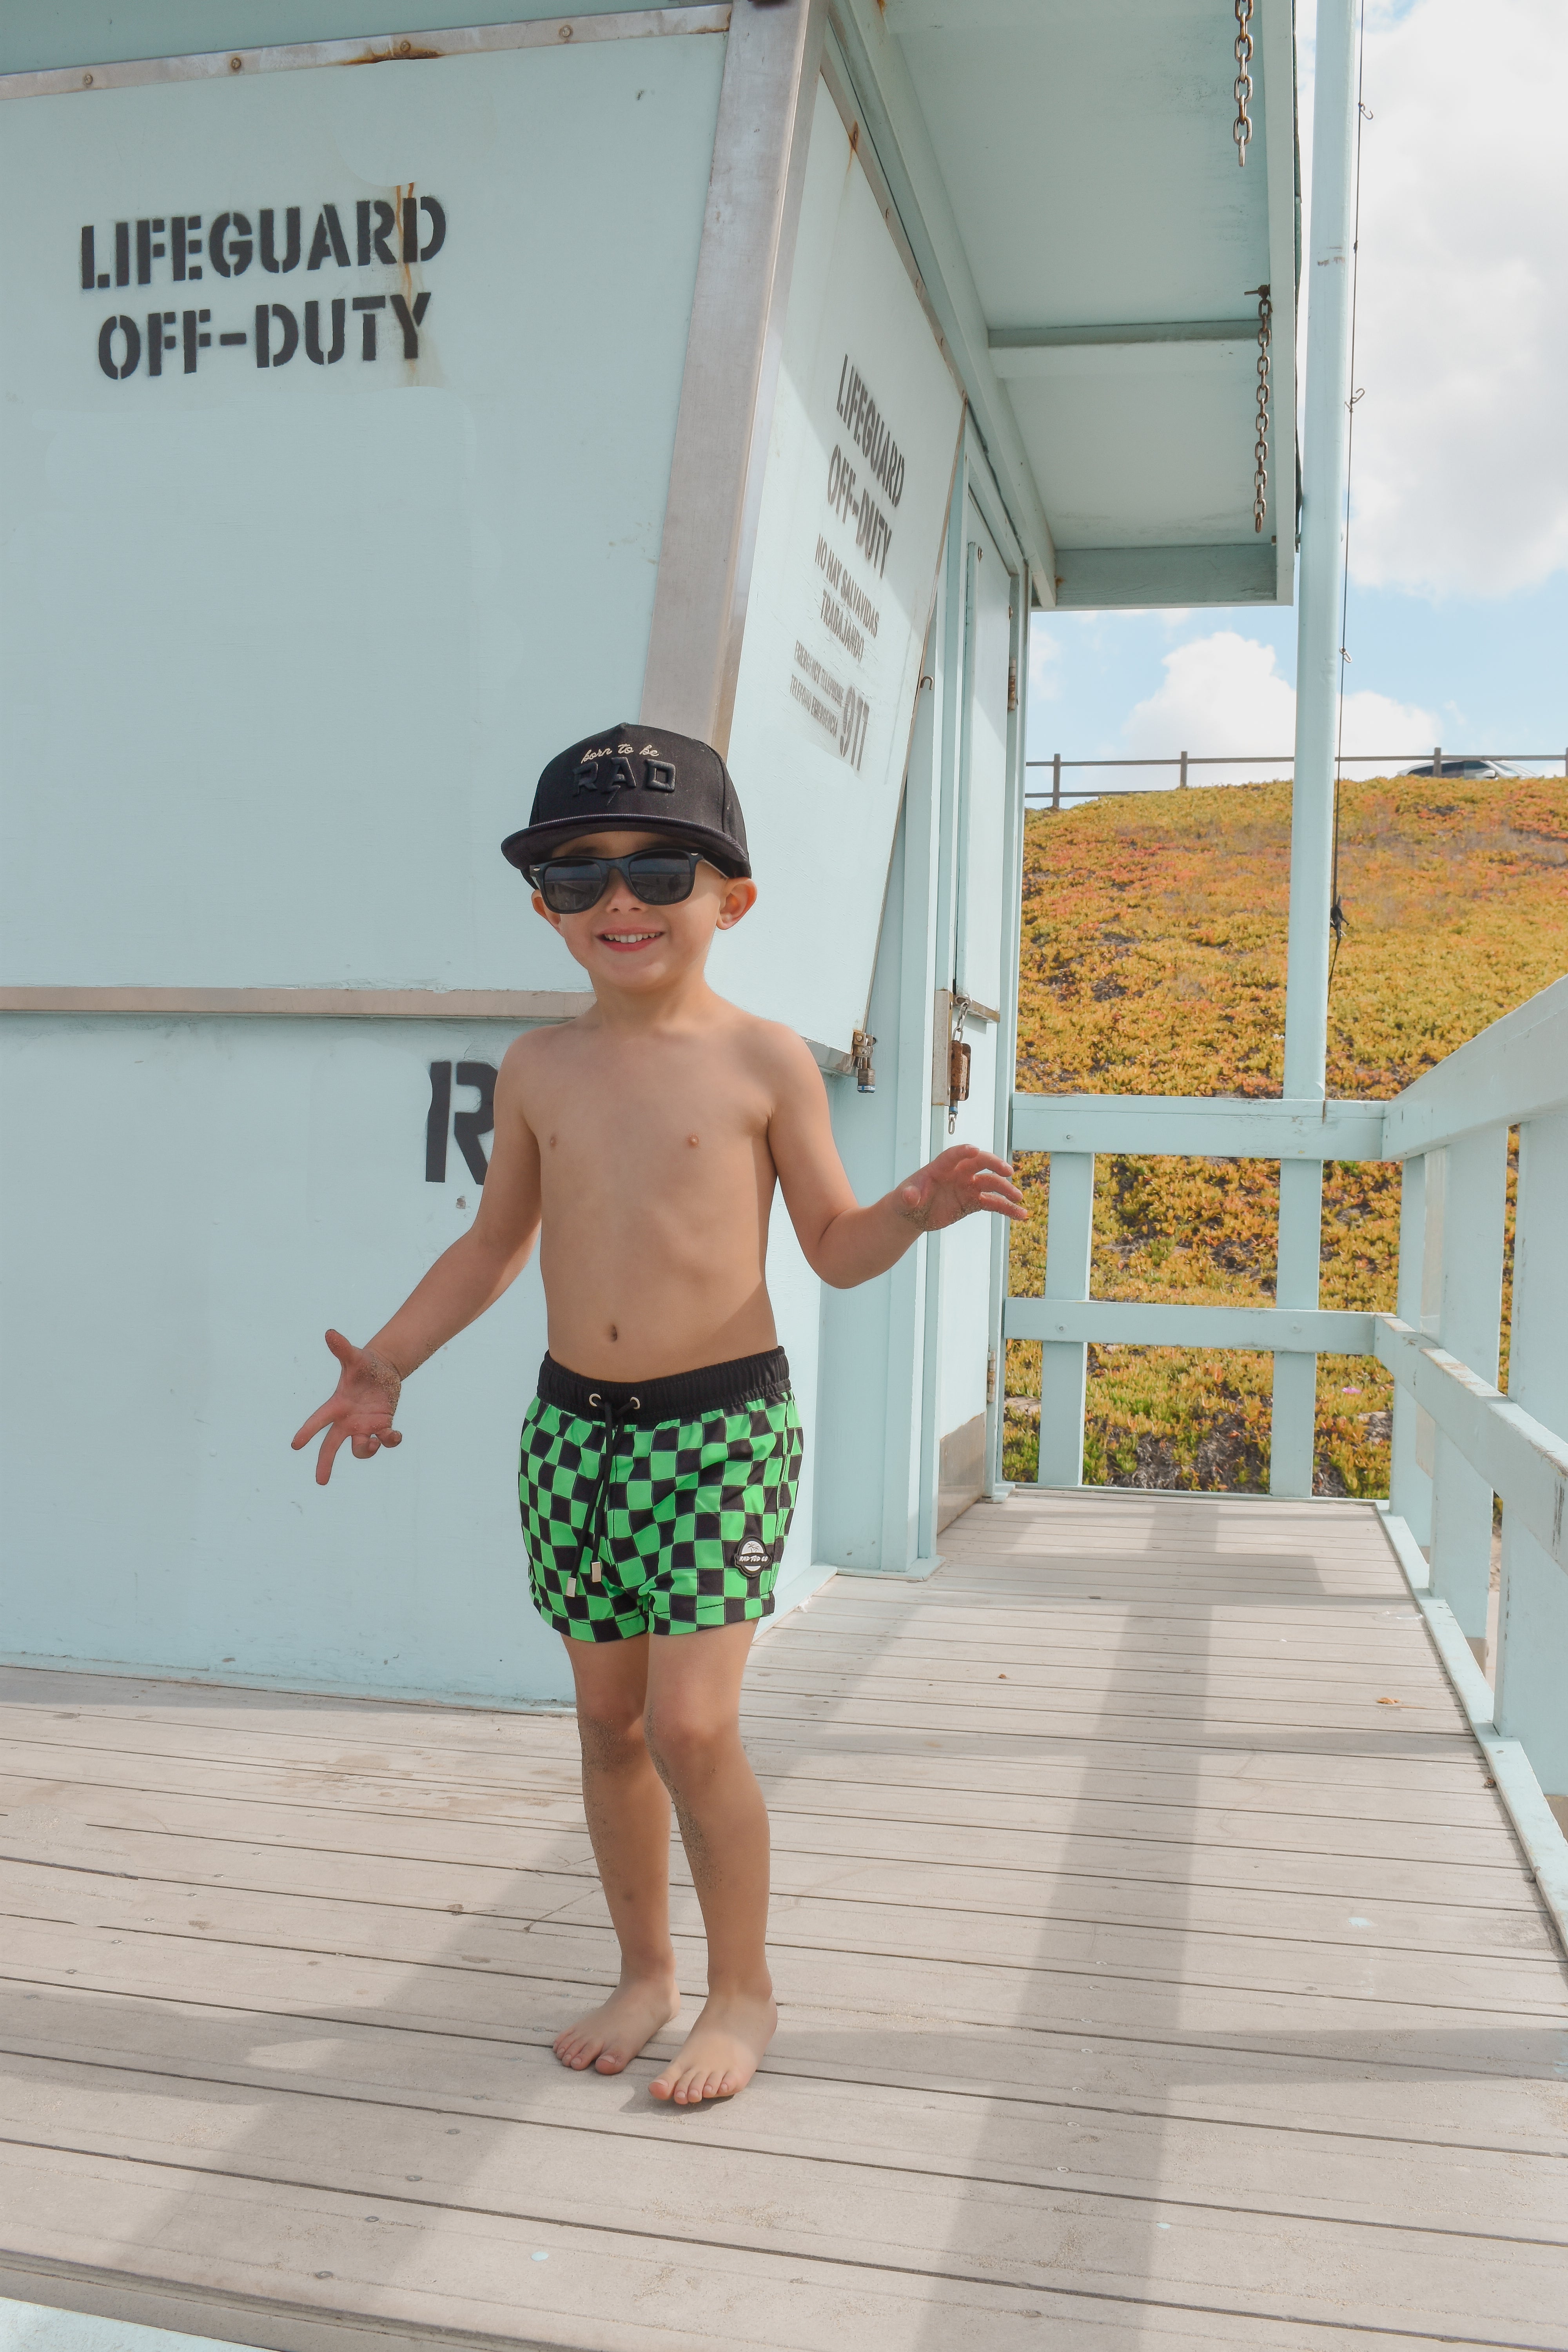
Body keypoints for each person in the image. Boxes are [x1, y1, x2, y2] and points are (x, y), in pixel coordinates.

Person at [292, 724, 1025, 2104]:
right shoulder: (537, 1070)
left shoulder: (765, 1064)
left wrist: (911, 1211)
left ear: (729, 899)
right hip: (578, 1433)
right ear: (546, 908)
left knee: (695, 1726)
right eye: (580, 880)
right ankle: (647, 1970)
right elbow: (492, 1248)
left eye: (657, 872)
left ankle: (744, 1988)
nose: (618, 902)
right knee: (610, 1722)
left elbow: (831, 1246)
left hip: (722, 1430)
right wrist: (389, 1360)